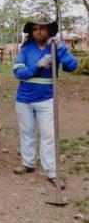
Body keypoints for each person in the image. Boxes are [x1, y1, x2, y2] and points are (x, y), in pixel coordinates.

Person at [13, 17, 78, 189]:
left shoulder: (56, 47)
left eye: (42, 28)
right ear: (31, 32)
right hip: (24, 98)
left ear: (49, 30)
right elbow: (18, 72)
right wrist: (37, 65)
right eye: (35, 29)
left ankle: (52, 172)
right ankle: (28, 163)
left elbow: (72, 67)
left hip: (47, 99)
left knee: (49, 135)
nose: (38, 32)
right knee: (26, 132)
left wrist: (62, 48)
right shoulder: (25, 50)